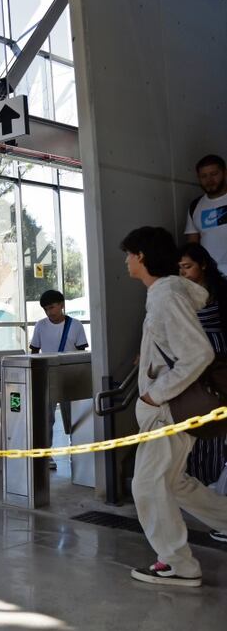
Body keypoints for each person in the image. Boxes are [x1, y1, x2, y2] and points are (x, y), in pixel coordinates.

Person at [121, 226, 227, 586]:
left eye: (130, 253)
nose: (126, 260)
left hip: (167, 410)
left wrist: (155, 394)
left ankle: (178, 565)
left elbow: (198, 352)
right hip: (168, 408)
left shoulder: (166, 295)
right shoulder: (164, 293)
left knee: (148, 486)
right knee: (174, 483)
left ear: (143, 257)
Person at [177, 242, 227, 538]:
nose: (183, 272)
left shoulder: (220, 293)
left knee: (215, 430)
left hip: (218, 367)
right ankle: (205, 493)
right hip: (194, 369)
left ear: (203, 265)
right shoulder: (180, 295)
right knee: (200, 432)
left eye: (188, 266)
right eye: (180, 268)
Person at [29, 289, 88, 470]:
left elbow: (81, 353)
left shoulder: (75, 325)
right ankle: (47, 454)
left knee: (75, 416)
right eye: (46, 309)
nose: (50, 312)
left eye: (52, 307)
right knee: (46, 418)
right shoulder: (40, 326)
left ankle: (77, 450)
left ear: (62, 305)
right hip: (48, 377)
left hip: (71, 376)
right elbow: (34, 352)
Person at [184, 154, 227, 274]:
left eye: (214, 174)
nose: (209, 180)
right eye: (203, 176)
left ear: (225, 173)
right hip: (211, 277)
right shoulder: (195, 206)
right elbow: (193, 245)